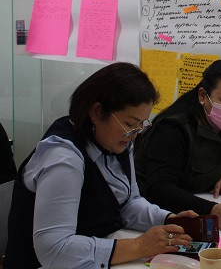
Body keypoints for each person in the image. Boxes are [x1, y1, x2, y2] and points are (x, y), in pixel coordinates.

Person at [4, 63, 195, 269]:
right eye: (130, 124)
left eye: (141, 124)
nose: (134, 134)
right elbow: (54, 248)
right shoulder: (63, 158)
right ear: (96, 112)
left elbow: (127, 203)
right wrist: (139, 246)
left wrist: (168, 220)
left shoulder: (116, 141)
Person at [135, 59, 221, 230]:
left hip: (217, 200)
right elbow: (160, 189)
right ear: (202, 96)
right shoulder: (172, 128)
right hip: (165, 216)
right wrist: (212, 210)